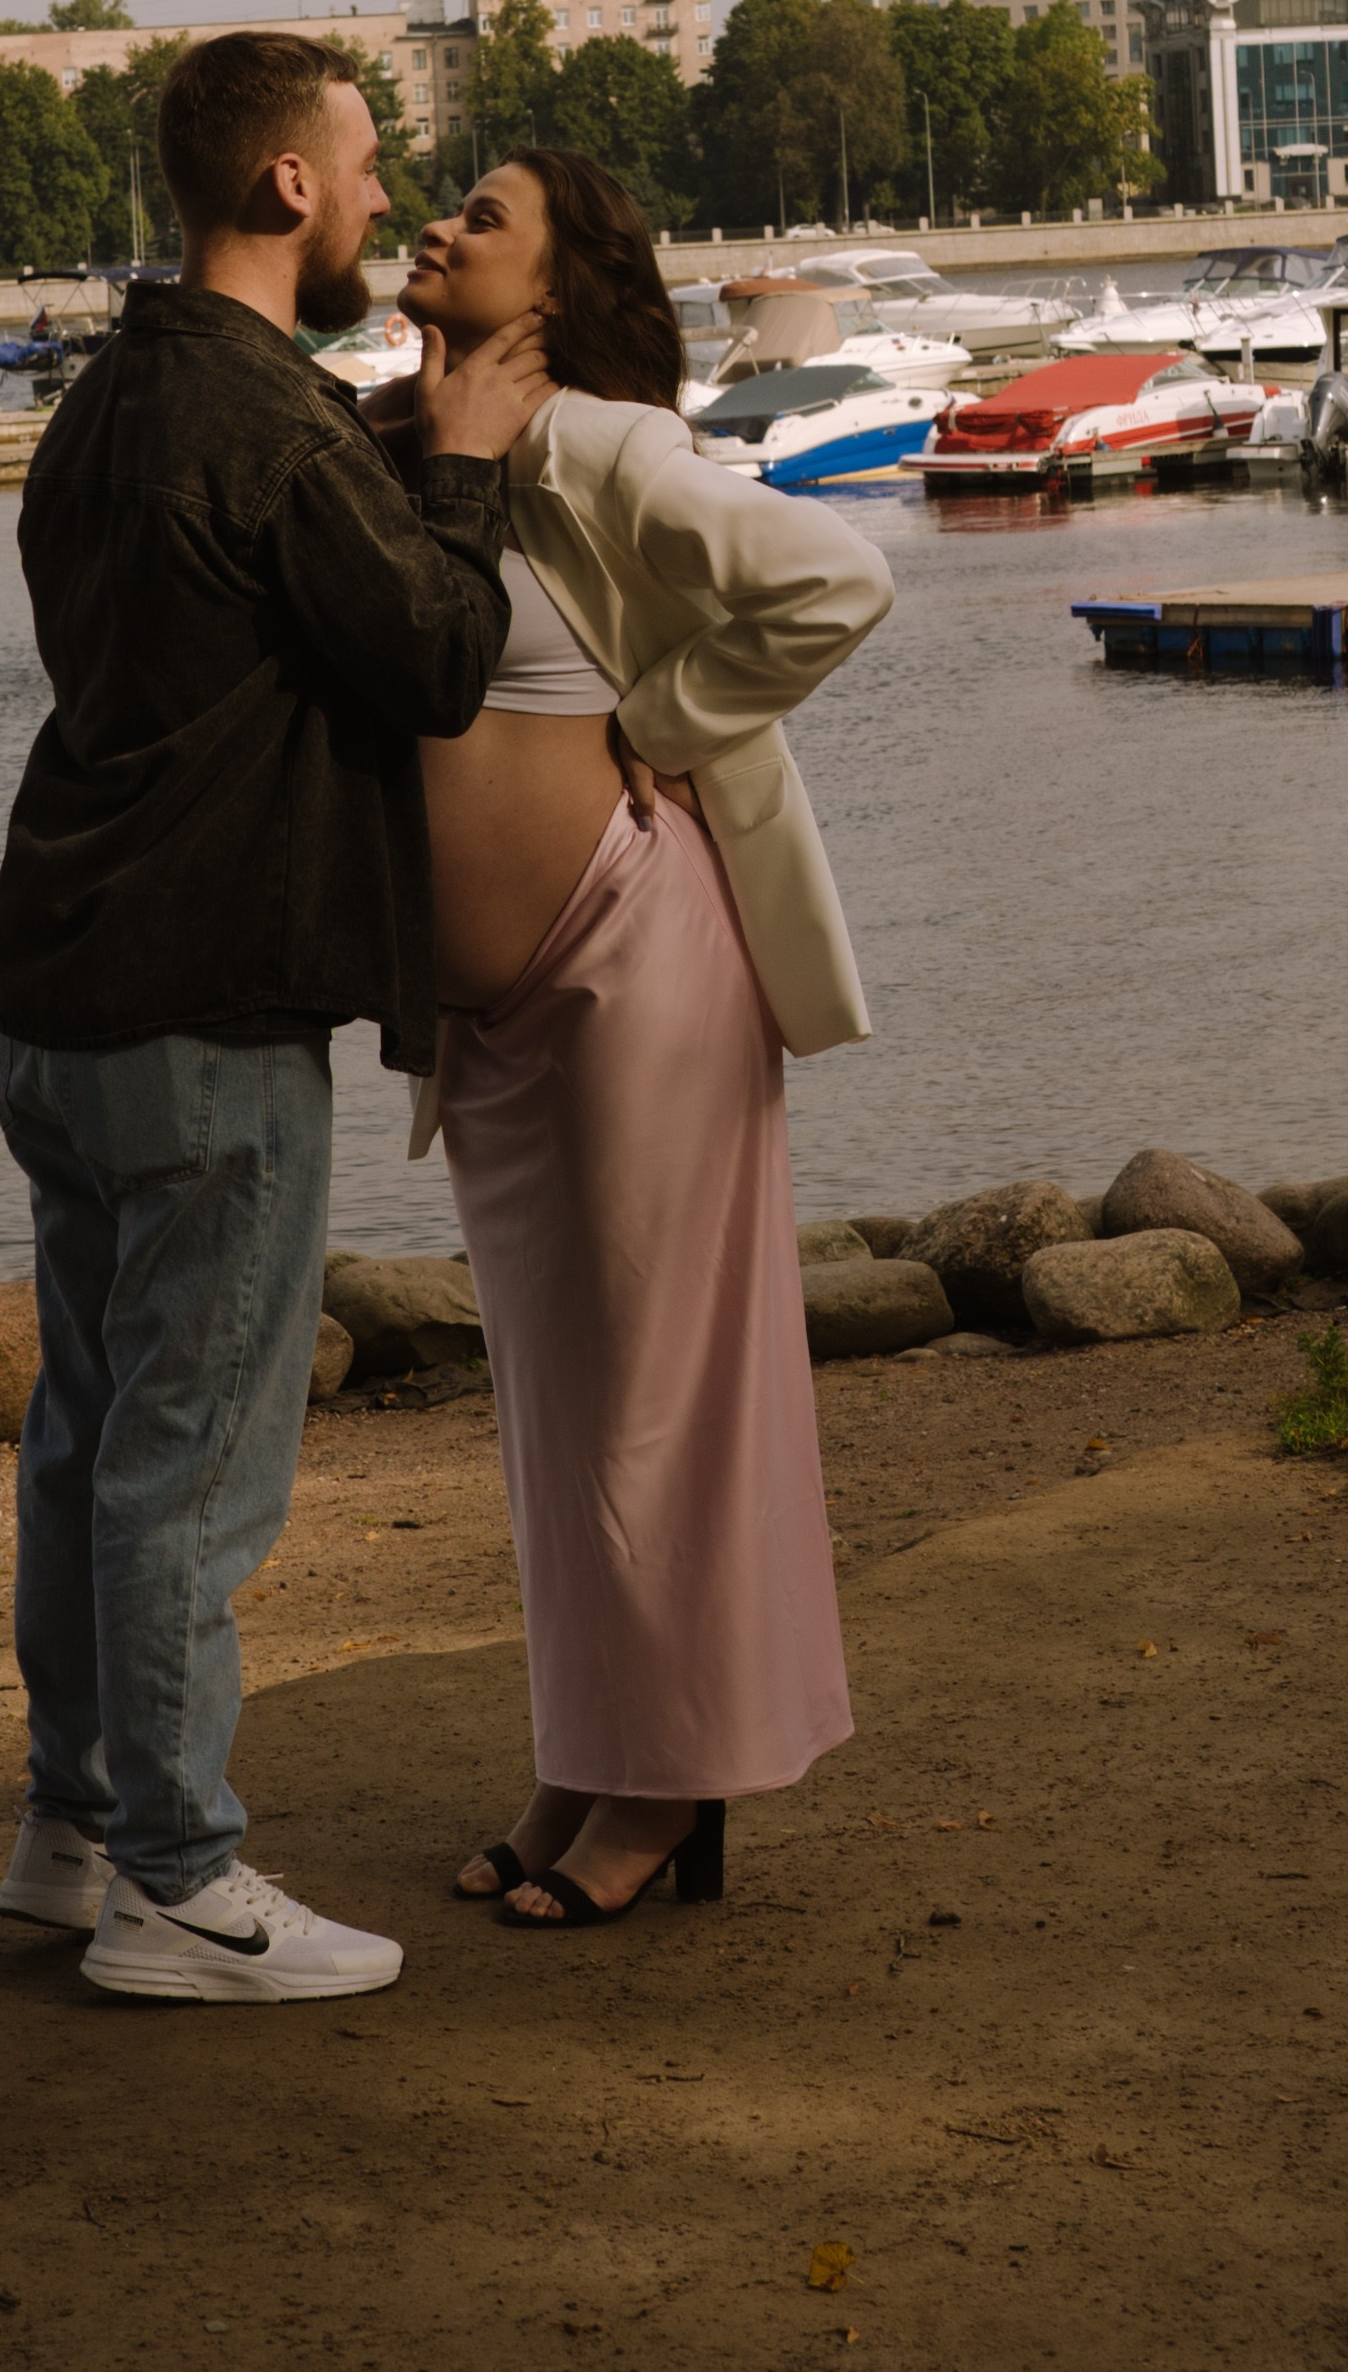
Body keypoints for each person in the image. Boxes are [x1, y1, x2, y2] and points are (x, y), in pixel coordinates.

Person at [0, 32, 550, 2003]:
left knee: (86, 1435)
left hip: (59, 982)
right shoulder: (264, 416)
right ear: (288, 189)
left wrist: (380, 457)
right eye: (371, 165)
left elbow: (208, 614)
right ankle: (176, 1882)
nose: (391, 199)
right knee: (191, 1465)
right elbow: (440, 658)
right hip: (206, 1001)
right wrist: (465, 466)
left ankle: (70, 1833)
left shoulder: (114, 396)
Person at [393, 150, 893, 1929]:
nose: (436, 226)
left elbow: (833, 577)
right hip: (510, 1021)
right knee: (559, 1404)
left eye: (483, 218)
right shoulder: (432, 450)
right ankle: (592, 1754)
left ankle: (673, 1788)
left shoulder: (605, 443)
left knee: (658, 1399)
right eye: (437, 204)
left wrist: (667, 719)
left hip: (637, 961)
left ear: (557, 287)